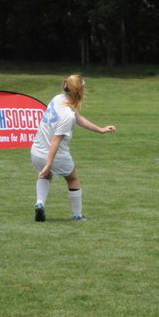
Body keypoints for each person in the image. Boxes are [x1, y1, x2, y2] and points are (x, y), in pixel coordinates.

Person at [31, 75, 116, 221]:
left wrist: (101, 129)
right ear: (79, 91)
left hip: (36, 151)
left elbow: (78, 117)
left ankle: (40, 203)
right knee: (72, 178)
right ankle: (78, 215)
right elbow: (56, 141)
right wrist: (49, 164)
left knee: (45, 175)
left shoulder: (57, 99)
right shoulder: (67, 116)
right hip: (55, 155)